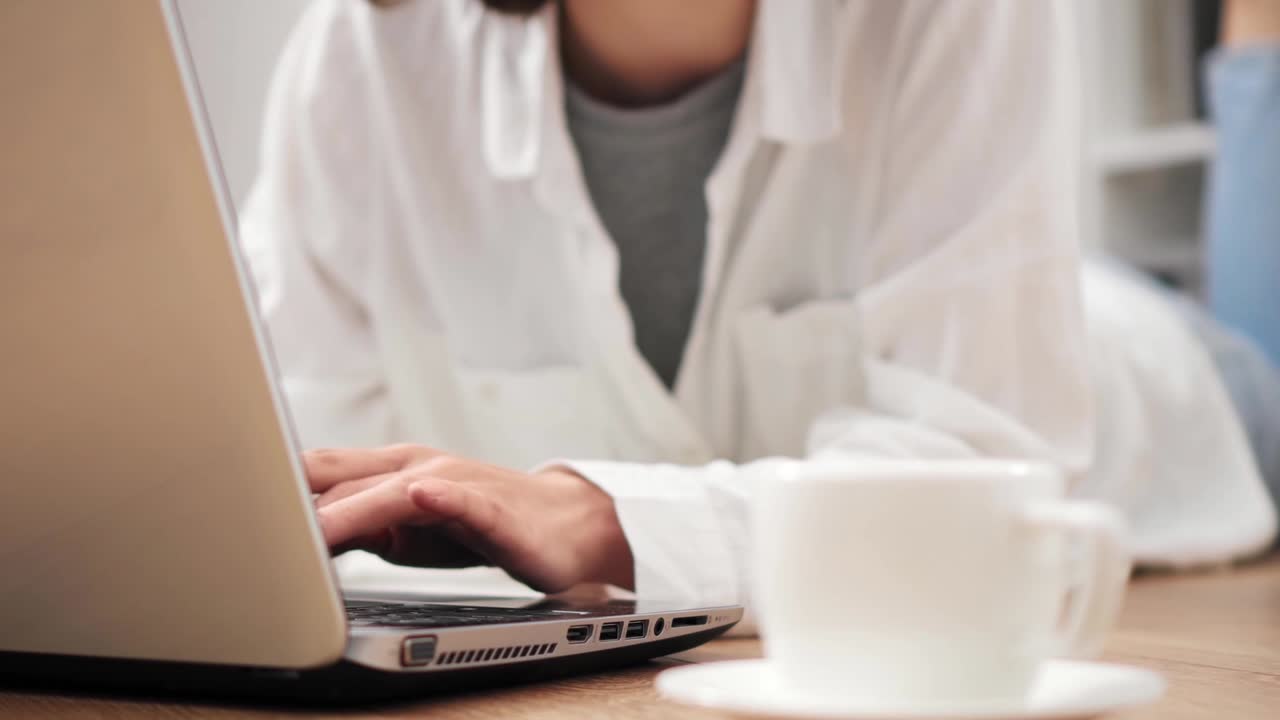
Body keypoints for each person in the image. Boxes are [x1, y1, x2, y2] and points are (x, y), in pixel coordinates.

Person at [241, 0, 1276, 612]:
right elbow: (295, 463)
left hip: (1180, 395)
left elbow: (980, 484)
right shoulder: (361, 54)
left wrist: (612, 521)